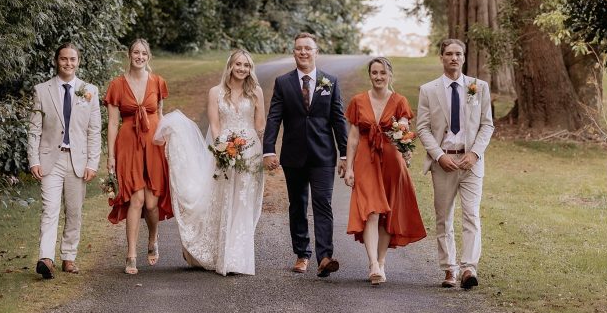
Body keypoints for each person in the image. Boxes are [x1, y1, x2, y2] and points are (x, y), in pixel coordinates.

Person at [154, 49, 266, 275]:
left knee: (242, 203)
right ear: (230, 66)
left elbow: (260, 124)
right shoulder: (215, 92)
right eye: (238, 64)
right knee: (222, 200)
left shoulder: (256, 92)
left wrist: (251, 147)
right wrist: (222, 149)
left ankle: (236, 258)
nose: (242, 69)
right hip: (224, 149)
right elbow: (215, 125)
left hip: (250, 151)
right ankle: (218, 254)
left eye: (246, 65)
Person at [263, 33, 348, 277]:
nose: (303, 52)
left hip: (323, 156)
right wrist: (268, 149)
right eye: (299, 48)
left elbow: (338, 119)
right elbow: (274, 118)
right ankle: (302, 253)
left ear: (316, 52)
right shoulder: (283, 82)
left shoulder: (329, 81)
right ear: (294, 53)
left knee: (323, 204)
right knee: (298, 205)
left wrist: (344, 154)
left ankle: (325, 257)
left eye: (307, 48)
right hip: (293, 156)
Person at [416, 39, 494, 289]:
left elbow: (487, 124)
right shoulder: (428, 90)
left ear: (464, 57)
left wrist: (475, 154)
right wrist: (439, 155)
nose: (454, 58)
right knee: (444, 217)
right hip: (444, 161)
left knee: (471, 215)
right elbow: (423, 128)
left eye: (458, 54)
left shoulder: (478, 87)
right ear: (441, 57)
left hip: (470, 162)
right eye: (449, 54)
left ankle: (469, 268)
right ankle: (449, 268)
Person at [343, 58, 426, 285]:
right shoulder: (358, 101)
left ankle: (381, 260)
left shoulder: (399, 101)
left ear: (390, 75)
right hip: (365, 160)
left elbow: (404, 131)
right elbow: (352, 138)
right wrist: (348, 167)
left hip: (391, 161)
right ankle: (372, 265)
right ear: (369, 74)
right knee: (371, 210)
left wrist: (407, 150)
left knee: (387, 213)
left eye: (382, 73)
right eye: (374, 72)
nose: (378, 77)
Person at [27, 42, 102, 279]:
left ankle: (68, 257)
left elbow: (94, 130)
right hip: (51, 158)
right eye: (63, 59)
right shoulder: (42, 90)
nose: (68, 63)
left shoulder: (90, 90)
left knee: (74, 211)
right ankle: (45, 258)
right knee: (50, 210)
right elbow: (34, 129)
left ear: (78, 61)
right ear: (56, 61)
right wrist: (33, 160)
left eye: (72, 59)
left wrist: (92, 163)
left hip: (78, 160)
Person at [104, 39, 173, 275]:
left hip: (154, 144)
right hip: (128, 145)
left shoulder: (158, 82)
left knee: (152, 203)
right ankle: (131, 254)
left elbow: (161, 115)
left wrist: (168, 144)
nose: (139, 56)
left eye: (144, 53)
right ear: (129, 55)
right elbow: (113, 123)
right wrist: (110, 156)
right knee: (136, 200)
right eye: (136, 52)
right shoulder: (116, 85)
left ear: (149, 56)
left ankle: (153, 238)